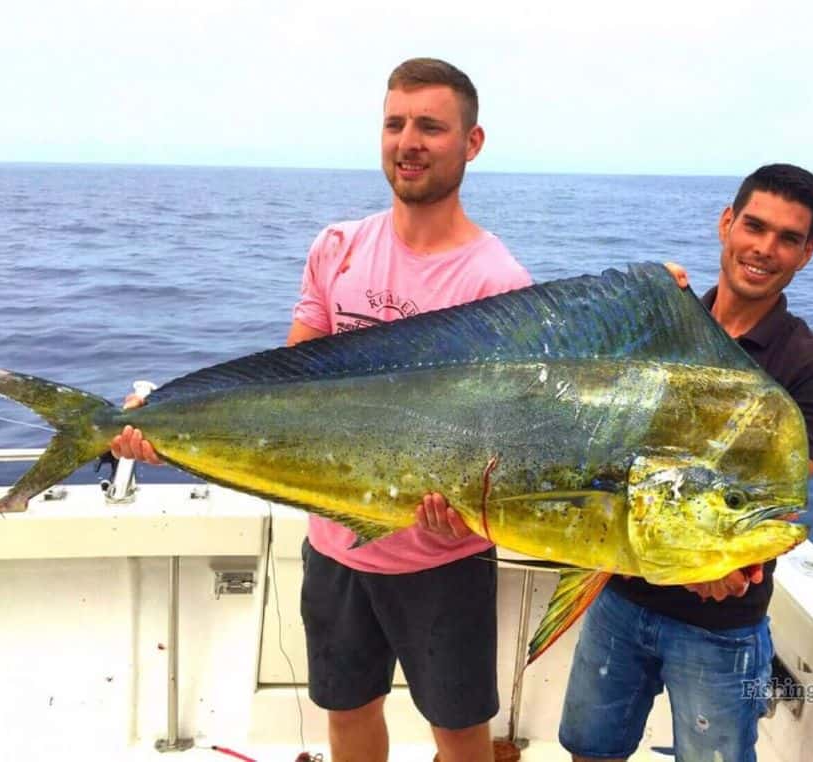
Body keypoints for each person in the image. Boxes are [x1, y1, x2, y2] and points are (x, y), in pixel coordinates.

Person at [112, 58, 532, 762]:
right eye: (395, 123)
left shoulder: (497, 280)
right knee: (346, 709)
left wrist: (465, 499)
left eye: (431, 125)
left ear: (473, 142)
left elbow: (505, 436)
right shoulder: (338, 247)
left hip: (442, 555)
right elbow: (285, 389)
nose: (409, 141)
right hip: (336, 541)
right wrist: (169, 423)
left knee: (461, 732)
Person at [559, 164, 813, 762]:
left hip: (722, 625)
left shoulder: (812, 369)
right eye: (755, 226)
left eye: (788, 238)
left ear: (808, 252)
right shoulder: (661, 326)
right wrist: (639, 297)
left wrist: (701, 563)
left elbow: (774, 504)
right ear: (726, 223)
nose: (765, 248)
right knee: (588, 749)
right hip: (617, 592)